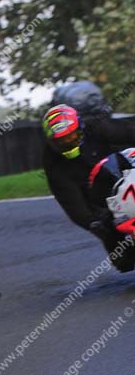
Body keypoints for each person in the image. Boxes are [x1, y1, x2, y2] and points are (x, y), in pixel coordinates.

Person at [42, 104, 135, 272]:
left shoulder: (97, 127)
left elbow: (128, 130)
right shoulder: (52, 162)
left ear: (81, 128)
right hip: (100, 199)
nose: (69, 143)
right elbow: (69, 199)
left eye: (72, 137)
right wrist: (92, 222)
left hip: (127, 171)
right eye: (62, 141)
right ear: (52, 142)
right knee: (124, 261)